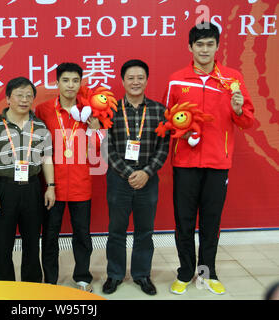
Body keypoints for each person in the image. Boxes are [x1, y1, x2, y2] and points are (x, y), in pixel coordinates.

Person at [164, 22, 255, 295]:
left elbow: (247, 121)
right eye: (199, 44)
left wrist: (238, 110)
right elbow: (168, 120)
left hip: (218, 163)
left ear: (217, 47)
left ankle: (207, 273)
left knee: (211, 222)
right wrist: (185, 132)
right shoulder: (177, 80)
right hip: (185, 163)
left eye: (209, 44)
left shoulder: (232, 79)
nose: (204, 49)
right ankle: (184, 272)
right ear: (190, 47)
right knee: (184, 222)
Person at [0, 77, 55, 283]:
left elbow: (47, 158)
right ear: (8, 98)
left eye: (29, 96)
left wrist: (51, 187)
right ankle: (5, 288)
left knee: (32, 242)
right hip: (4, 189)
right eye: (19, 95)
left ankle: (32, 287)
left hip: (32, 188)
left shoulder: (39, 125)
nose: (24, 100)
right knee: (3, 244)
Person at [103, 59, 169, 296]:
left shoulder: (159, 110)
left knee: (145, 231)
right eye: (130, 78)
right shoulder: (110, 110)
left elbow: (164, 147)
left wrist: (146, 172)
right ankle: (115, 274)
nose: (135, 82)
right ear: (122, 81)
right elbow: (105, 146)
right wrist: (129, 173)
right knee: (116, 230)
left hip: (148, 179)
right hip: (118, 179)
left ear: (147, 80)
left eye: (140, 77)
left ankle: (142, 275)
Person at [35, 62, 102, 292]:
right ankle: (50, 281)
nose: (70, 85)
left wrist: (94, 130)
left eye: (75, 80)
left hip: (81, 183)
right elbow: (39, 147)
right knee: (50, 234)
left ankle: (82, 277)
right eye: (65, 80)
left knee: (82, 233)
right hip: (52, 184)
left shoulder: (90, 111)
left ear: (81, 83)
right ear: (57, 82)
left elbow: (96, 152)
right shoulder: (43, 110)